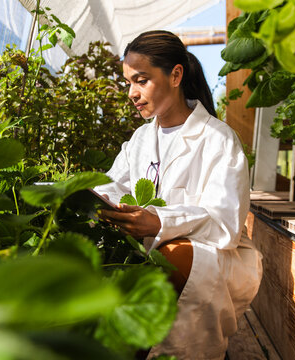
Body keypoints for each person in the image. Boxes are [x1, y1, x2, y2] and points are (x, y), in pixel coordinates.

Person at [96, 30, 262, 360]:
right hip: (152, 250)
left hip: (214, 254)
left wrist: (158, 221)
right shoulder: (141, 140)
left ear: (175, 75)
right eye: (129, 82)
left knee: (172, 253)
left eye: (141, 80)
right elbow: (112, 185)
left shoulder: (218, 139)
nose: (132, 92)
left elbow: (225, 224)